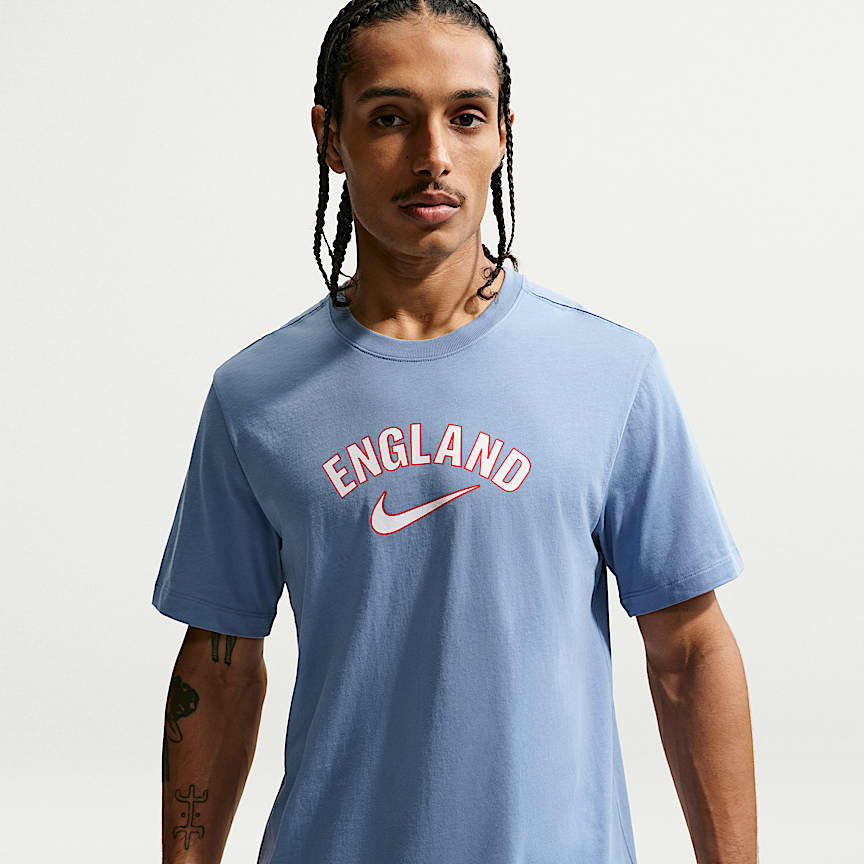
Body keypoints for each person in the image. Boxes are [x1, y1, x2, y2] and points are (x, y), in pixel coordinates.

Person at [152, 1, 757, 862]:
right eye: (389, 118)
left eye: (466, 117)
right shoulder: (256, 396)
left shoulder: (609, 372)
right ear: (330, 136)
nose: (433, 155)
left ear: (503, 135)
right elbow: (218, 670)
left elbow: (689, 652)